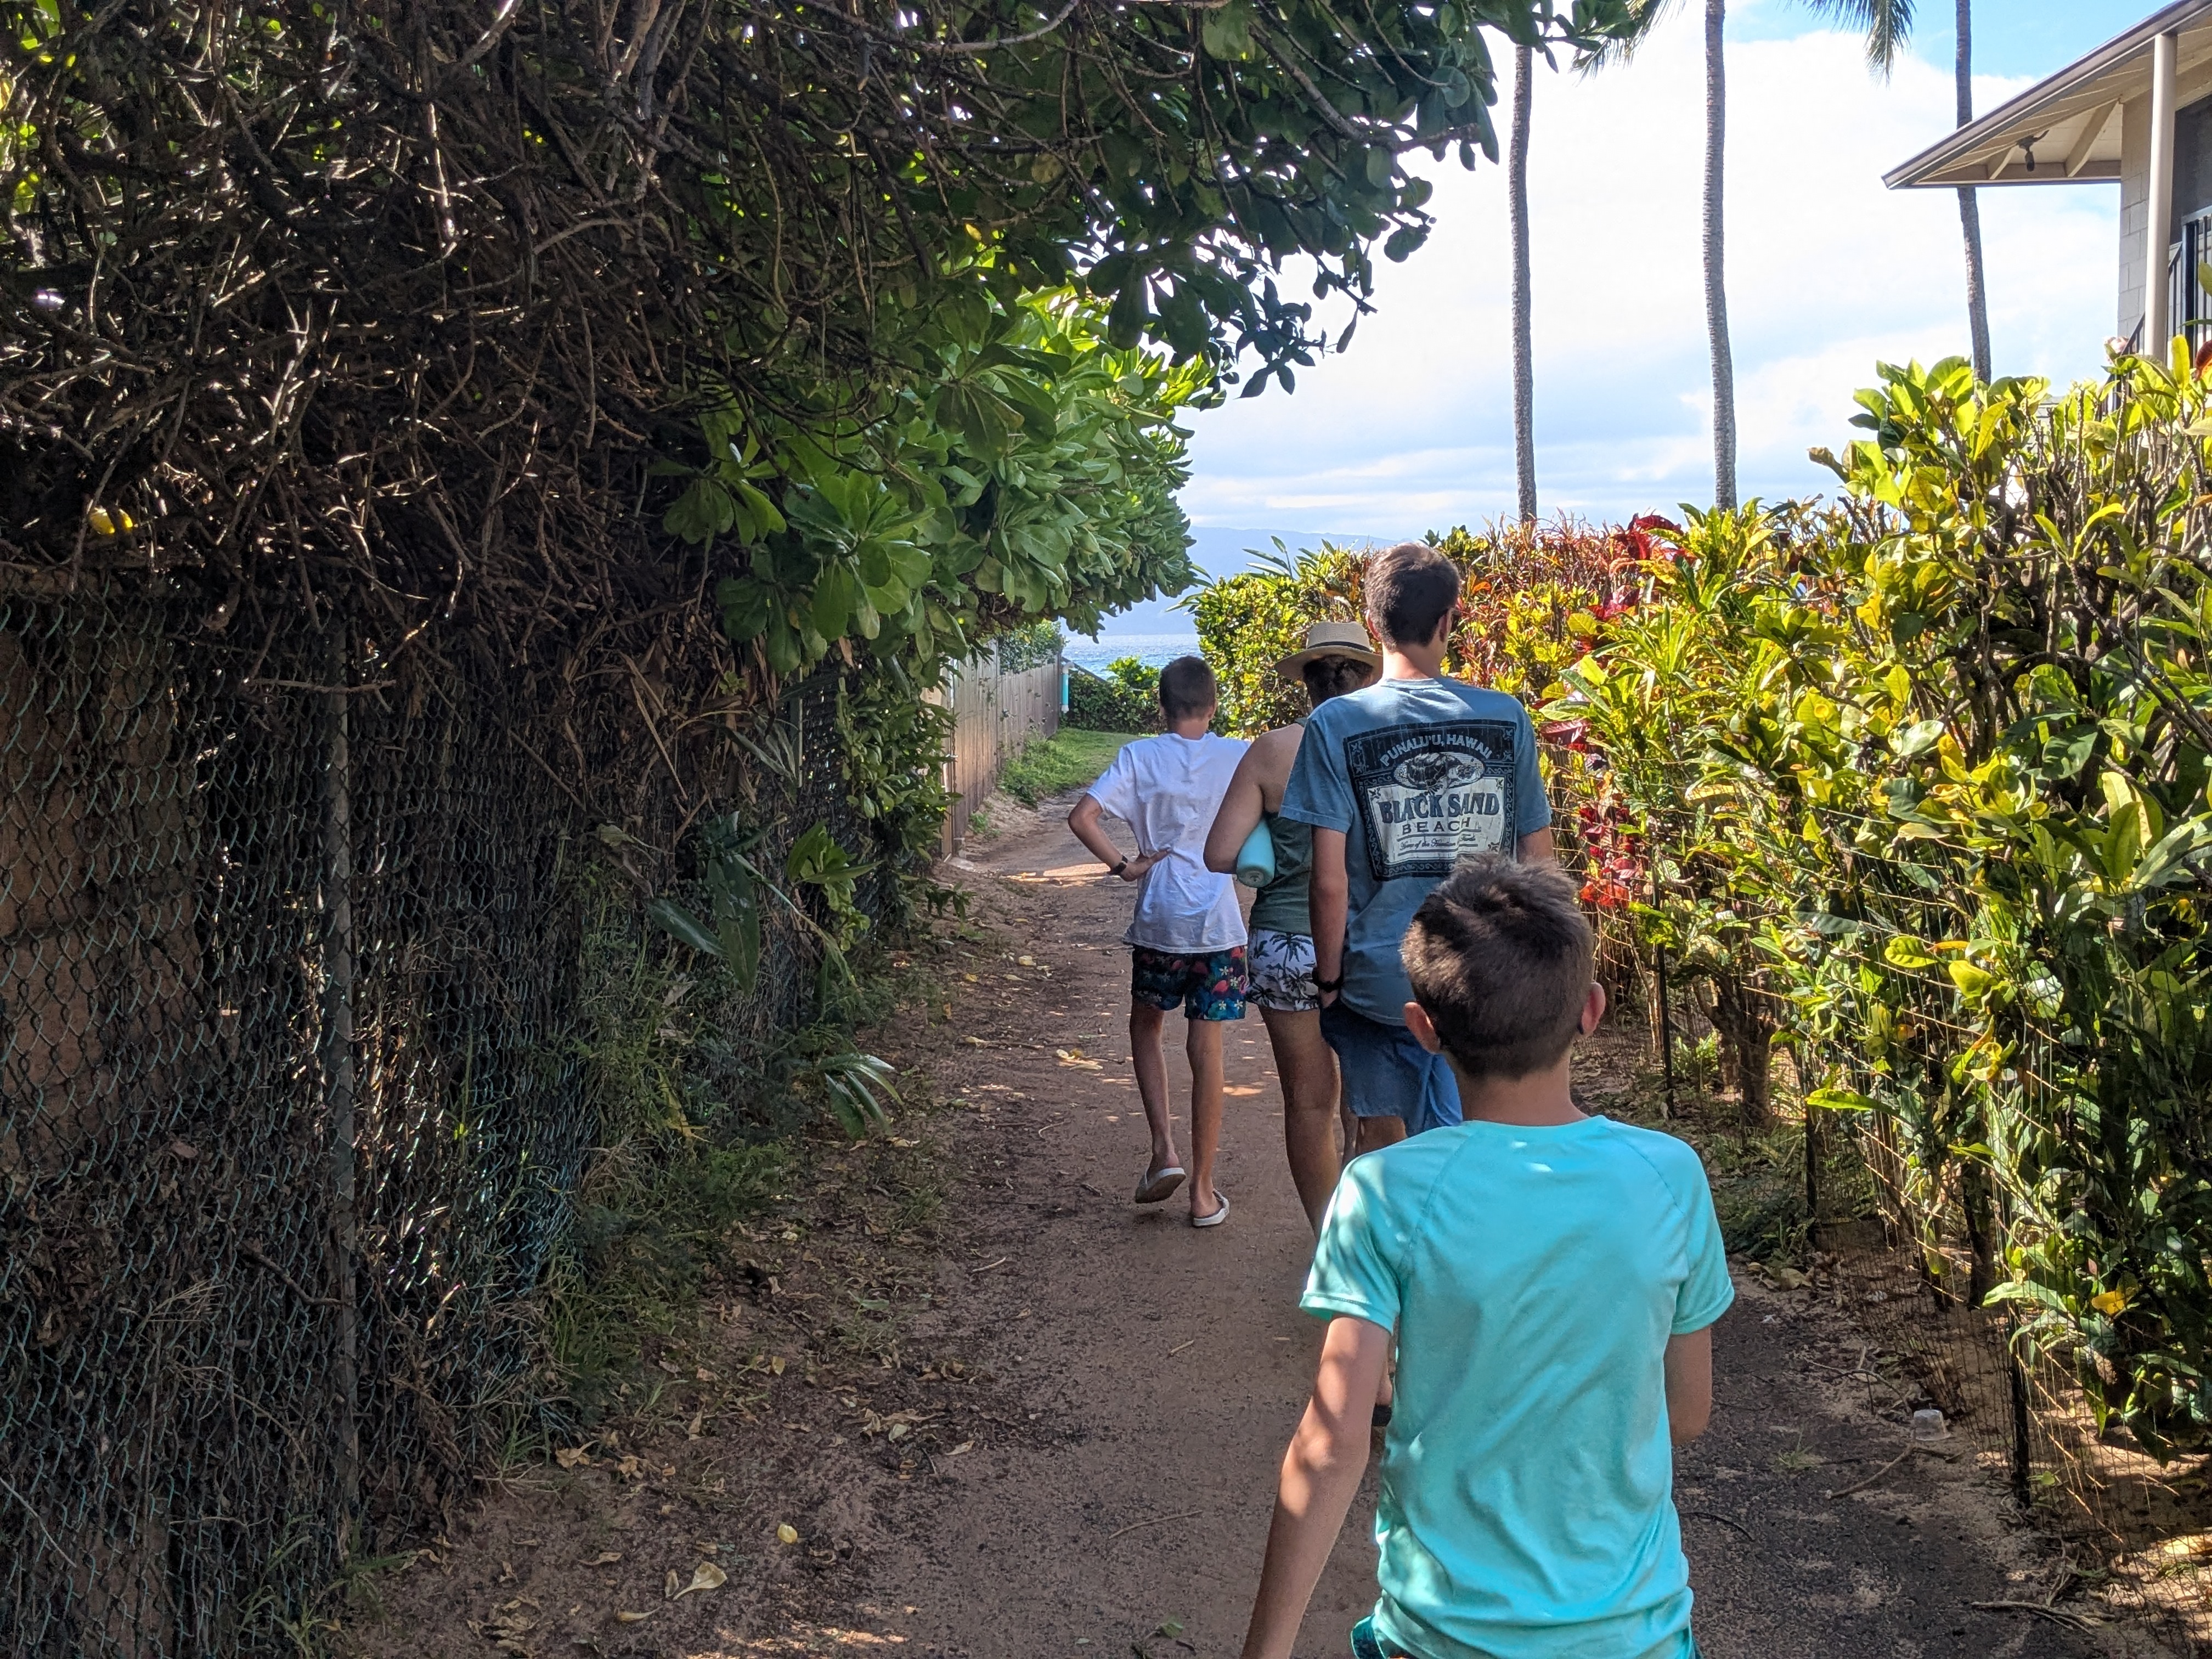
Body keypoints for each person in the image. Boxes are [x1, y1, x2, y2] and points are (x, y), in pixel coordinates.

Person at [1237, 855, 1733, 1659]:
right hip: (1635, 1633)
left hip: (1442, 1636)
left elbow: (1330, 1444)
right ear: (1592, 1011)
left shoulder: (1383, 1190)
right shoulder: (1669, 1175)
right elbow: (1687, 1411)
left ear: (1423, 1028)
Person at [1278, 541, 1555, 1155]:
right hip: (1484, 973)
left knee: (1383, 1138)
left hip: (1380, 977)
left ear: (1373, 626)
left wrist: (1328, 980)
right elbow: (1541, 864)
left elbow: (1329, 882)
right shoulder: (1504, 717)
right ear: (1450, 620)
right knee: (1478, 1132)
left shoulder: (1336, 724)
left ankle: (1390, 1244)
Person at [1202, 620, 1381, 1231]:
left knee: (1309, 1100)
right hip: (1370, 939)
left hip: (1286, 941)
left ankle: (1328, 1241)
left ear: (1304, 684)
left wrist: (1266, 839)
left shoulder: (1273, 751)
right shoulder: (1389, 743)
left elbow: (1219, 854)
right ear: (1367, 677)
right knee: (1378, 1095)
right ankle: (1375, 1229)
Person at [1067, 656, 1249, 1228]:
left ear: (1161, 707)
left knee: (1146, 1026)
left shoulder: (1139, 756)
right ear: (1214, 705)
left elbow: (1083, 817)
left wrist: (1126, 866)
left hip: (1161, 920)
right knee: (1208, 1049)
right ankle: (1201, 1192)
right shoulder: (1239, 755)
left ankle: (1162, 1152)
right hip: (1219, 922)